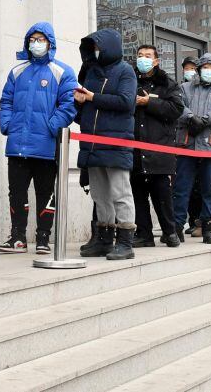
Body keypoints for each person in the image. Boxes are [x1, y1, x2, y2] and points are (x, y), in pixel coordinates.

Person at [0, 23, 77, 254]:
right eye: (32, 39)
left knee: (45, 193)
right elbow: (6, 102)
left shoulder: (62, 71)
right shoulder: (17, 72)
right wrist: (7, 125)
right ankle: (18, 237)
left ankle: (43, 238)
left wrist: (51, 127)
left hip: (46, 146)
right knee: (17, 192)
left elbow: (68, 106)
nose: (36, 43)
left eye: (41, 39)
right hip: (17, 146)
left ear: (50, 42)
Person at [72, 29, 137, 259]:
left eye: (99, 48)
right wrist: (80, 101)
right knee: (99, 194)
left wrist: (92, 98)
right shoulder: (90, 71)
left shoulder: (125, 71)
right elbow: (84, 106)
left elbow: (126, 102)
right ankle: (104, 239)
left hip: (116, 142)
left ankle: (126, 242)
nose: (96, 52)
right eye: (93, 49)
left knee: (120, 193)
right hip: (92, 143)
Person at [172, 54, 211, 244]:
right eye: (205, 67)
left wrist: (205, 120)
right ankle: (176, 227)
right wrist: (191, 118)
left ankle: (209, 227)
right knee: (182, 188)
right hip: (187, 143)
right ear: (199, 69)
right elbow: (178, 106)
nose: (208, 71)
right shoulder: (184, 87)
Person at [130, 45, 184, 248]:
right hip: (135, 148)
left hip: (160, 147)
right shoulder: (130, 81)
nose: (143, 59)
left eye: (148, 56)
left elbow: (177, 109)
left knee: (162, 194)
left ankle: (170, 232)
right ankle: (144, 233)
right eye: (140, 55)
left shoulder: (167, 83)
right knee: (138, 195)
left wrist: (149, 103)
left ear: (156, 61)